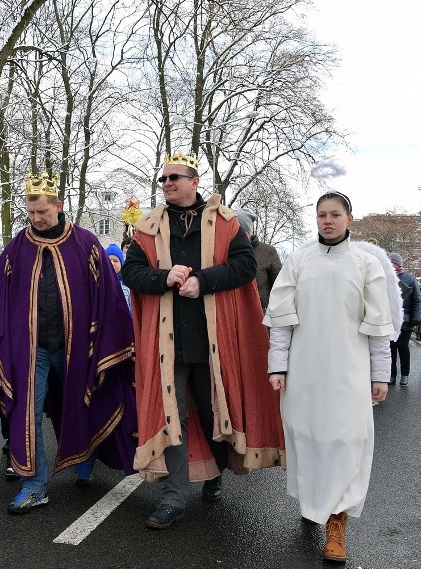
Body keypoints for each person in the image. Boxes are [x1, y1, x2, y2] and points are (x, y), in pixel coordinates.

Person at [122, 152, 283, 530]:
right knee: (173, 414)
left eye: (175, 178)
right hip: (167, 345)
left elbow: (245, 267)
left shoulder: (225, 224)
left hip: (216, 343)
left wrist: (203, 281)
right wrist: (163, 277)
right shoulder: (147, 227)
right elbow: (131, 272)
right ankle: (174, 497)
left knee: (214, 412)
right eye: (163, 180)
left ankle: (213, 473)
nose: (167, 185)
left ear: (195, 181)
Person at [0, 172, 138, 515]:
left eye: (43, 212)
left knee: (81, 402)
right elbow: (2, 298)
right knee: (29, 412)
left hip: (77, 347)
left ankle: (88, 452)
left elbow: (110, 295)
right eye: (31, 212)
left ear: (59, 206)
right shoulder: (16, 249)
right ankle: (35, 485)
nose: (37, 219)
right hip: (32, 350)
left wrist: (112, 339)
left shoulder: (85, 243)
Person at [265, 191, 393, 563]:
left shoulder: (367, 265)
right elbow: (281, 322)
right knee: (308, 440)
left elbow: (378, 328)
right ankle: (315, 503)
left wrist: (379, 374)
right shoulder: (298, 261)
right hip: (305, 375)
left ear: (349, 219)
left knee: (347, 442)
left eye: (335, 214)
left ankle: (337, 524)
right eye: (322, 214)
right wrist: (278, 365)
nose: (328, 220)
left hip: (349, 375)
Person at [235, 209, 282, 311]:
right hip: (235, 315)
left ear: (248, 232)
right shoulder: (228, 251)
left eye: (240, 231)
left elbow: (279, 288)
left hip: (261, 316)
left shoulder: (268, 251)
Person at [387, 253, 421, 386]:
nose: (392, 266)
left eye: (394, 263)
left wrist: (416, 318)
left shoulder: (409, 278)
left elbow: (417, 299)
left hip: (405, 319)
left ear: (399, 264)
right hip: (389, 319)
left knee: (403, 347)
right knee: (390, 348)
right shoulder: (385, 277)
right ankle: (392, 374)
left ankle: (405, 375)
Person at [105, 243, 131, 311]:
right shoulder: (99, 283)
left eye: (116, 261)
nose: (112, 263)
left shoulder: (127, 285)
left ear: (122, 264)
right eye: (108, 260)